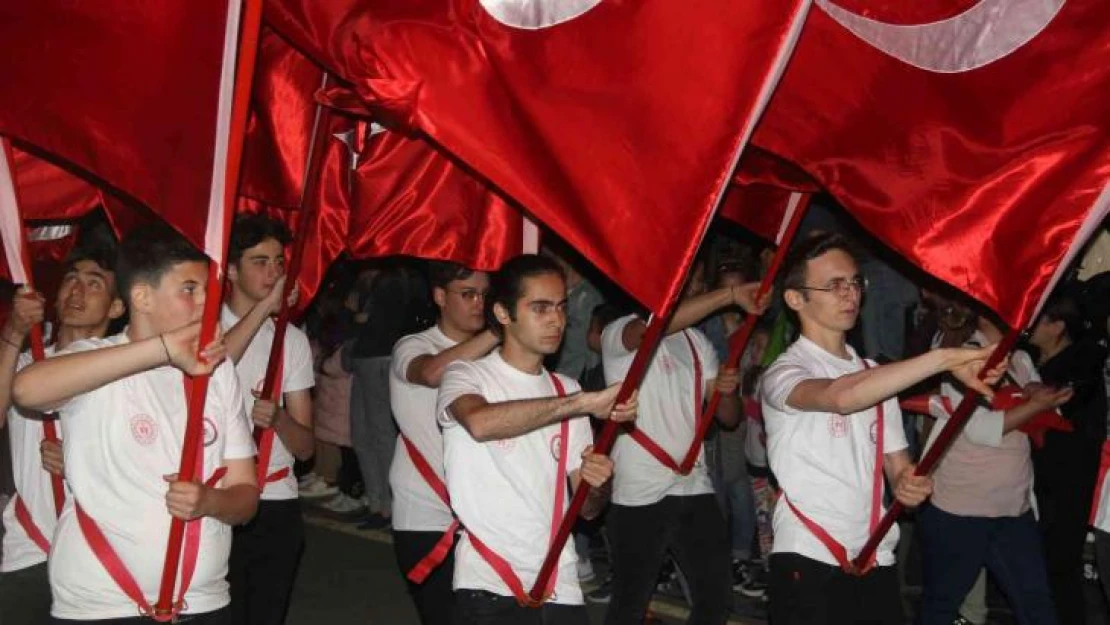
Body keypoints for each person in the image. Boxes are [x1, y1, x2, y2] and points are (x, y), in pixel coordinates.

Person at [12, 224, 258, 624]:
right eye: (190, 290)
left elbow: (245, 495)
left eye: (209, 292)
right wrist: (163, 350)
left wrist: (209, 502)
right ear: (142, 297)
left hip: (203, 602)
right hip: (102, 605)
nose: (205, 304)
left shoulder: (217, 371)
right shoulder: (96, 359)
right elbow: (26, 390)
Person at [760, 232, 1003, 625]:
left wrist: (911, 484)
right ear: (795, 299)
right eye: (834, 285)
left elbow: (897, 467)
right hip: (810, 554)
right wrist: (940, 359)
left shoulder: (874, 374)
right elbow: (841, 397)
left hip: (876, 553)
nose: (849, 293)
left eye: (855, 282)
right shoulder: (784, 373)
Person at [436, 254, 637, 625]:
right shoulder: (466, 376)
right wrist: (580, 403)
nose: (556, 320)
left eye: (561, 307)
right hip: (489, 584)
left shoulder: (566, 388)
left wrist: (597, 481)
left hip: (561, 581)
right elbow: (480, 423)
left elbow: (588, 509)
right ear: (502, 313)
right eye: (540, 308)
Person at [601, 259, 765, 625]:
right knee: (630, 601)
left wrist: (726, 391)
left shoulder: (698, 342)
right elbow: (652, 331)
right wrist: (732, 294)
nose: (689, 289)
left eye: (693, 283)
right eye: (682, 282)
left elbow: (729, 417)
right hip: (639, 489)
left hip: (694, 483)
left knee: (716, 598)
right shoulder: (621, 332)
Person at [0, 240, 126, 625]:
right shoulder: (26, 362)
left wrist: (77, 462)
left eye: (94, 283)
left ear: (118, 307)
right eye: (71, 278)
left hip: (96, 552)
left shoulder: (123, 369)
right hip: (29, 547)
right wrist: (14, 331)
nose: (77, 290)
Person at [917, 313, 1065, 625]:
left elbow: (1037, 394)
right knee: (942, 604)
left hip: (1013, 506)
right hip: (962, 509)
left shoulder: (1021, 357)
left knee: (1036, 603)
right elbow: (982, 429)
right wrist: (1036, 405)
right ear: (984, 315)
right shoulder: (963, 358)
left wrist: (1038, 392)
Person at [389, 261, 498, 624]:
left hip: (486, 515)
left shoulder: (498, 358)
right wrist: (499, 331)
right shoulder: (413, 345)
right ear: (439, 296)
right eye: (468, 294)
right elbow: (433, 372)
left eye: (485, 295)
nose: (479, 303)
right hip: (426, 516)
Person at [220, 215, 315, 625]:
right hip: (218, 498)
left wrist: (278, 419)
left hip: (276, 502)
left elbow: (306, 446)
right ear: (231, 269)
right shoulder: (203, 327)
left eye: (279, 261)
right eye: (260, 261)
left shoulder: (291, 340)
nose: (274, 272)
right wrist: (264, 309)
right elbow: (214, 364)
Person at [1029, 290, 1108, 625]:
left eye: (1039, 318)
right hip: (1037, 481)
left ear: (1058, 326)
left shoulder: (1083, 363)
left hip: (1071, 482)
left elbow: (1074, 410)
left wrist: (1041, 399)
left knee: (1062, 564)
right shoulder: (1027, 362)